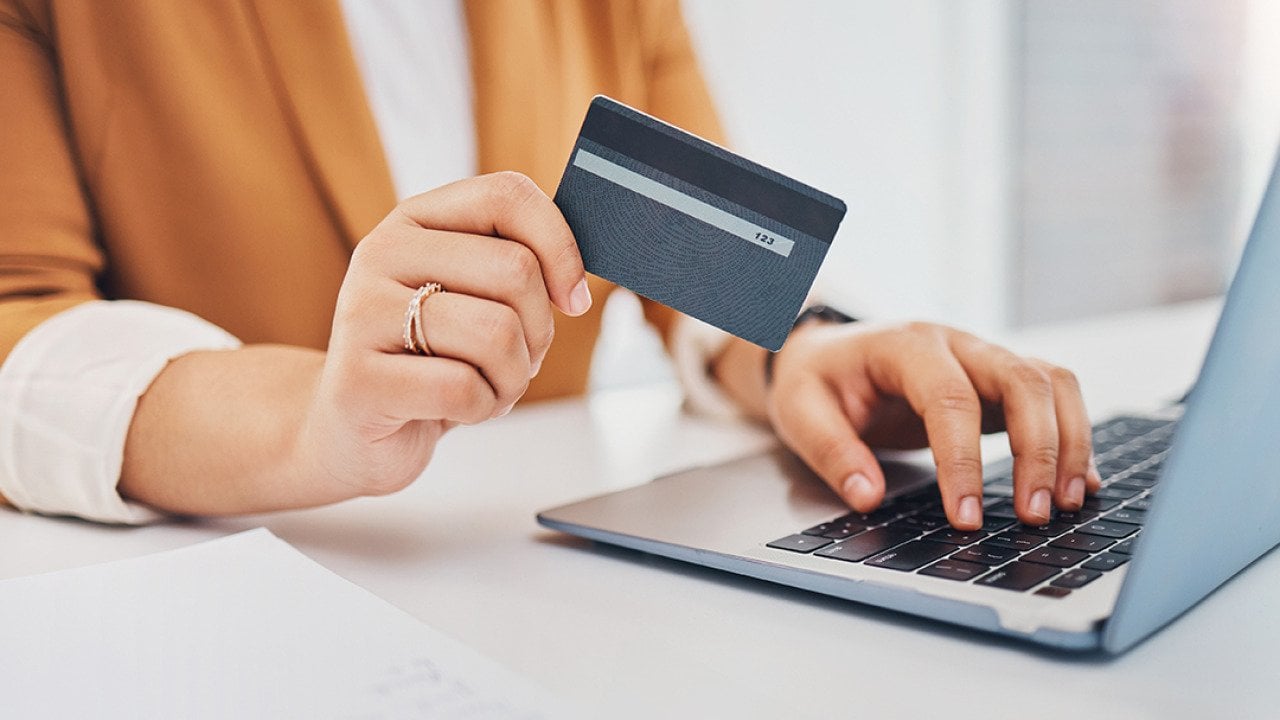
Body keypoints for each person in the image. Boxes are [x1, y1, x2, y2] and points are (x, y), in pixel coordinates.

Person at [0, 0, 1099, 530]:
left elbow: (693, 253)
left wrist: (805, 344)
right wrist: (313, 419)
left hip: (537, 586)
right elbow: (19, 323)